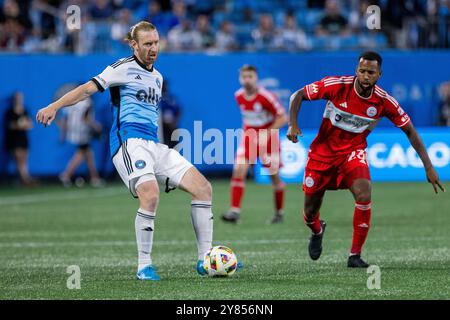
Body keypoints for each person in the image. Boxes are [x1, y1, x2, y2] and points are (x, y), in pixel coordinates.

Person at [36, 21, 220, 281]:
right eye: (147, 43)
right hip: (128, 143)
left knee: (203, 188)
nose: (153, 48)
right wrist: (54, 106)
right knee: (151, 194)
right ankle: (144, 266)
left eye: (156, 42)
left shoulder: (157, 77)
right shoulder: (121, 68)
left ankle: (205, 260)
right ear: (134, 45)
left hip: (154, 145)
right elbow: (87, 89)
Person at [287, 51, 445, 268]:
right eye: (362, 71)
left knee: (364, 192)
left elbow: (410, 131)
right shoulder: (337, 85)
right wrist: (292, 124)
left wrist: (429, 167)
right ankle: (317, 230)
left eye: (371, 72)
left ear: (379, 74)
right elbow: (298, 95)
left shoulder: (384, 101)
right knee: (310, 212)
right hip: (321, 155)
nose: (365, 76)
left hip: (352, 152)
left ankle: (355, 255)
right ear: (356, 71)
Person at [222, 65, 288, 225]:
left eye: (250, 76)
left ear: (256, 78)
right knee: (238, 169)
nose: (247, 80)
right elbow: (248, 118)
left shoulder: (266, 96)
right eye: (244, 77)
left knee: (275, 178)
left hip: (269, 140)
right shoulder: (238, 96)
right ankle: (234, 211)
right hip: (250, 139)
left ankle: (279, 213)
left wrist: (266, 133)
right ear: (240, 79)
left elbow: (282, 118)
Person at [57, 90, 104, 188]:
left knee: (88, 154)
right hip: (83, 131)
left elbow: (65, 119)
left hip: (73, 132)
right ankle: (66, 174)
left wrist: (63, 134)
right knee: (82, 153)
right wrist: (96, 126)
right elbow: (86, 118)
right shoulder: (87, 102)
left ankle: (94, 178)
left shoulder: (72, 101)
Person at [4, 91, 36, 185]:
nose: (19, 99)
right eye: (17, 97)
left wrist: (22, 125)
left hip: (23, 138)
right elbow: (10, 125)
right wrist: (20, 124)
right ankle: (25, 179)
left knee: (24, 159)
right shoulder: (10, 112)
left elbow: (30, 124)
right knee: (19, 159)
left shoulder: (25, 110)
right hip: (14, 139)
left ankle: (24, 178)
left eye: (20, 97)